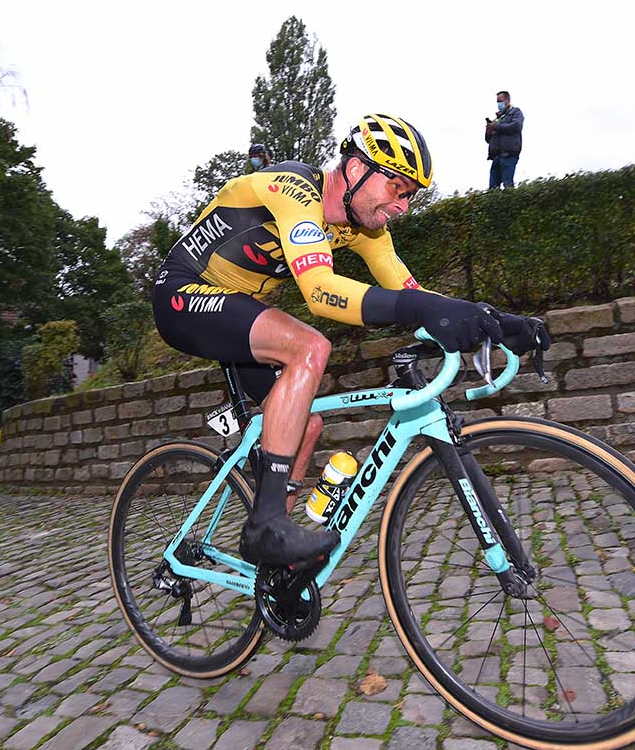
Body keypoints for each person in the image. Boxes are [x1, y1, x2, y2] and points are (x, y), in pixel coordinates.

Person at [152, 114, 549, 567]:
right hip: (182, 295)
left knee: (304, 424)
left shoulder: (366, 229)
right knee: (309, 347)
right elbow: (321, 291)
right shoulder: (294, 189)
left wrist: (494, 320)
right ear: (357, 169)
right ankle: (265, 528)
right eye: (397, 187)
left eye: (411, 195)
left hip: (235, 307)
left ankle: (276, 557)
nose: (403, 206)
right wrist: (423, 310)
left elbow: (411, 293)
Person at [484, 91, 524, 189]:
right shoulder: (496, 119)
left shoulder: (515, 112)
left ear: (507, 100)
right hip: (496, 156)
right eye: (497, 102)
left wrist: (496, 127)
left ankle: (510, 199)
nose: (499, 104)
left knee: (508, 184)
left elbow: (516, 126)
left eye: (500, 101)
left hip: (509, 155)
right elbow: (488, 140)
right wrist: (488, 131)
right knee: (493, 188)